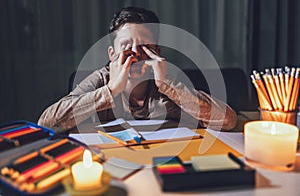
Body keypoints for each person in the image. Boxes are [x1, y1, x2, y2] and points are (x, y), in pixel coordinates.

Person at [38, 7, 237, 132]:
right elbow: (46, 123)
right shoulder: (101, 78)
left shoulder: (167, 81)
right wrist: (110, 91)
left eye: (144, 46)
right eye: (126, 45)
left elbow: (227, 120)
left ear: (156, 52)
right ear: (111, 54)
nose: (135, 53)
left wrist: (167, 85)